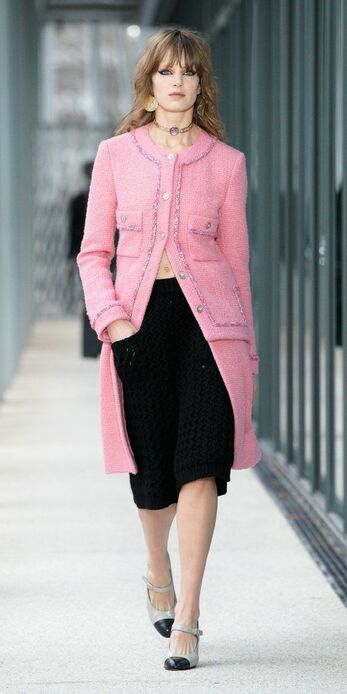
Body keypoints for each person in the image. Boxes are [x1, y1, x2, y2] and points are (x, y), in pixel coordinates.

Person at [76, 26, 262, 671]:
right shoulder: (115, 155)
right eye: (165, 71)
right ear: (149, 83)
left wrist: (249, 358)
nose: (177, 81)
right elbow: (93, 252)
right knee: (152, 471)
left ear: (200, 83)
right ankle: (158, 572)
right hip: (139, 324)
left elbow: (238, 268)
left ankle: (189, 612)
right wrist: (114, 320)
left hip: (212, 331)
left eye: (188, 71)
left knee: (202, 462)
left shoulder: (227, 162)